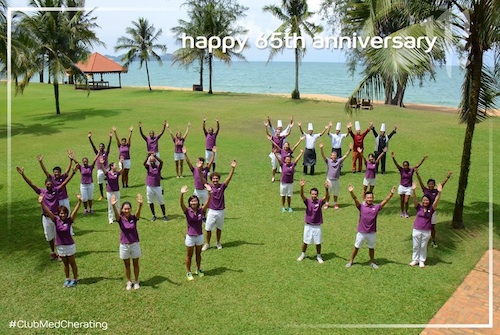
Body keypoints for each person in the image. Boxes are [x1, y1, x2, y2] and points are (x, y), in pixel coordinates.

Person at [17, 164, 77, 260]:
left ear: (52, 184)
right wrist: (23, 175)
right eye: (48, 184)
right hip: (46, 218)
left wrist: (73, 173)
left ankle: (59, 254)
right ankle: (53, 252)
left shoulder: (56, 190)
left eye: (50, 184)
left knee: (58, 235)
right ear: (45, 185)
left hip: (55, 218)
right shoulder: (42, 192)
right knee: (49, 236)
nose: (49, 186)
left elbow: (65, 183)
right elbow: (31, 184)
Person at [345, 184, 396, 269]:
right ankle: (351, 261)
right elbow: (355, 199)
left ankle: (372, 262)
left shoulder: (376, 207)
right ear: (365, 198)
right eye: (368, 198)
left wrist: (391, 194)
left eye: (371, 197)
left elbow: (385, 201)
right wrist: (351, 192)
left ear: (373, 198)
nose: (369, 199)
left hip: (372, 232)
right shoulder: (361, 206)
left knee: (371, 248)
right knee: (356, 247)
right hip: (361, 232)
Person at [38, 193, 82, 287]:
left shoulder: (69, 220)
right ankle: (67, 279)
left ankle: (75, 279)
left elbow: (75, 211)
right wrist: (41, 203)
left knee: (72, 263)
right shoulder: (55, 220)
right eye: (61, 213)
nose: (63, 215)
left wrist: (79, 202)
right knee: (65, 264)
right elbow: (48, 211)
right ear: (58, 213)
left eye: (65, 213)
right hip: (60, 246)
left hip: (69, 245)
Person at [202, 160, 237, 251]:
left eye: (217, 178)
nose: (215, 180)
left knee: (219, 228)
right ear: (211, 180)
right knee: (208, 229)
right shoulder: (209, 187)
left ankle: (218, 242)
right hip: (212, 211)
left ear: (219, 179)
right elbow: (202, 180)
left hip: (221, 211)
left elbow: (229, 178)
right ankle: (207, 243)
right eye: (213, 179)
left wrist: (232, 168)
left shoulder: (222, 187)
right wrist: (198, 170)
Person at [111, 193, 143, 290]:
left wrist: (140, 205)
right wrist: (113, 205)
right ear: (122, 210)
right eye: (125, 209)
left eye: (128, 209)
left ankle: (136, 281)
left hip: (134, 244)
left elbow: (138, 214)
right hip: (124, 245)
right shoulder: (120, 219)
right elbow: (116, 215)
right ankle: (129, 281)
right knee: (127, 265)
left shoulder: (134, 218)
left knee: (136, 263)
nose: (127, 210)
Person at [180, 185, 212, 281]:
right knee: (189, 255)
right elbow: (181, 204)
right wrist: (181, 194)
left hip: (199, 236)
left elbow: (207, 202)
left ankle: (198, 269)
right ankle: (189, 272)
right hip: (190, 237)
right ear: (189, 203)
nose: (193, 202)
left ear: (198, 202)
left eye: (195, 201)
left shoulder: (201, 211)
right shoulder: (187, 211)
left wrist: (209, 193)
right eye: (191, 201)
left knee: (198, 255)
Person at [415, 169, 452, 248]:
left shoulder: (436, 191)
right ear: (428, 184)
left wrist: (447, 177)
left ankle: (433, 240)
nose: (431, 185)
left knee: (432, 226)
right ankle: (424, 239)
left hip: (432, 211)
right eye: (430, 184)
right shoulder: (425, 190)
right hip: (424, 211)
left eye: (432, 184)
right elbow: (420, 182)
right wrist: (417, 173)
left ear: (434, 185)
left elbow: (442, 185)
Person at [410, 181, 443, 268]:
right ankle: (415, 260)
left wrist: (439, 192)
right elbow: (415, 199)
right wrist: (413, 190)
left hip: (426, 231)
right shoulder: (419, 207)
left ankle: (421, 261)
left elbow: (436, 201)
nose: (425, 201)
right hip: (417, 229)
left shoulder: (431, 209)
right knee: (416, 245)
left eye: (427, 200)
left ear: (429, 201)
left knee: (423, 246)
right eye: (424, 200)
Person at [296, 179, 330, 264]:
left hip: (317, 225)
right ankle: (303, 254)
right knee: (305, 241)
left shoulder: (320, 202)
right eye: (312, 194)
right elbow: (301, 195)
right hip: (308, 225)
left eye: (315, 194)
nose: (314, 195)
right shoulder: (307, 201)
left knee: (318, 242)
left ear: (317, 195)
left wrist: (326, 189)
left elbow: (326, 197)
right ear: (310, 194)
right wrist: (301, 187)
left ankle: (318, 256)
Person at [392, 152, 427, 218]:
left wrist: (423, 159)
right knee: (402, 201)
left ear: (408, 165)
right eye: (404, 166)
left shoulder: (411, 170)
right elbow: (396, 164)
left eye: (406, 166)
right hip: (402, 187)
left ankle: (406, 212)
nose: (405, 167)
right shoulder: (401, 170)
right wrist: (393, 158)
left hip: (408, 187)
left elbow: (417, 165)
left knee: (406, 201)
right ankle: (402, 211)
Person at [319, 142, 353, 209]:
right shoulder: (328, 161)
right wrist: (321, 148)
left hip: (336, 180)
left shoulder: (339, 161)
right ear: (331, 156)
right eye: (332, 155)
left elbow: (345, 156)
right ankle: (327, 203)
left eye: (335, 155)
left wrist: (349, 150)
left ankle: (335, 203)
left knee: (336, 193)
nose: (334, 156)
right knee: (328, 193)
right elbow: (323, 155)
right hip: (329, 180)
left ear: (336, 156)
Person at [88, 131, 112, 201]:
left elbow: (109, 146)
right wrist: (90, 138)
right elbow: (93, 146)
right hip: (99, 170)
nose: (101, 147)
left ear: (104, 147)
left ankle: (108, 194)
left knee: (107, 182)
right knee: (100, 183)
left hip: (106, 169)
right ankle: (101, 195)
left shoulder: (106, 153)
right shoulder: (97, 153)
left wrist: (110, 138)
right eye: (100, 146)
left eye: (102, 146)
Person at [144, 153, 167, 222]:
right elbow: (144, 164)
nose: (152, 162)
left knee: (161, 201)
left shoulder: (158, 167)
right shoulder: (148, 167)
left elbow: (162, 162)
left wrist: (155, 156)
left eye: (153, 161)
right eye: (151, 161)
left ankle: (164, 215)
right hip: (149, 187)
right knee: (150, 201)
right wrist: (147, 157)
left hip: (157, 187)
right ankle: (153, 215)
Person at [101, 157, 123, 224]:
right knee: (110, 205)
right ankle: (111, 218)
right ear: (111, 167)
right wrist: (102, 164)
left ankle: (118, 217)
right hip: (109, 191)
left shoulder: (117, 173)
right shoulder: (108, 173)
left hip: (116, 190)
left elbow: (122, 170)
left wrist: (122, 163)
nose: (116, 166)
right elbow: (104, 170)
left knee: (118, 204)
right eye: (115, 165)